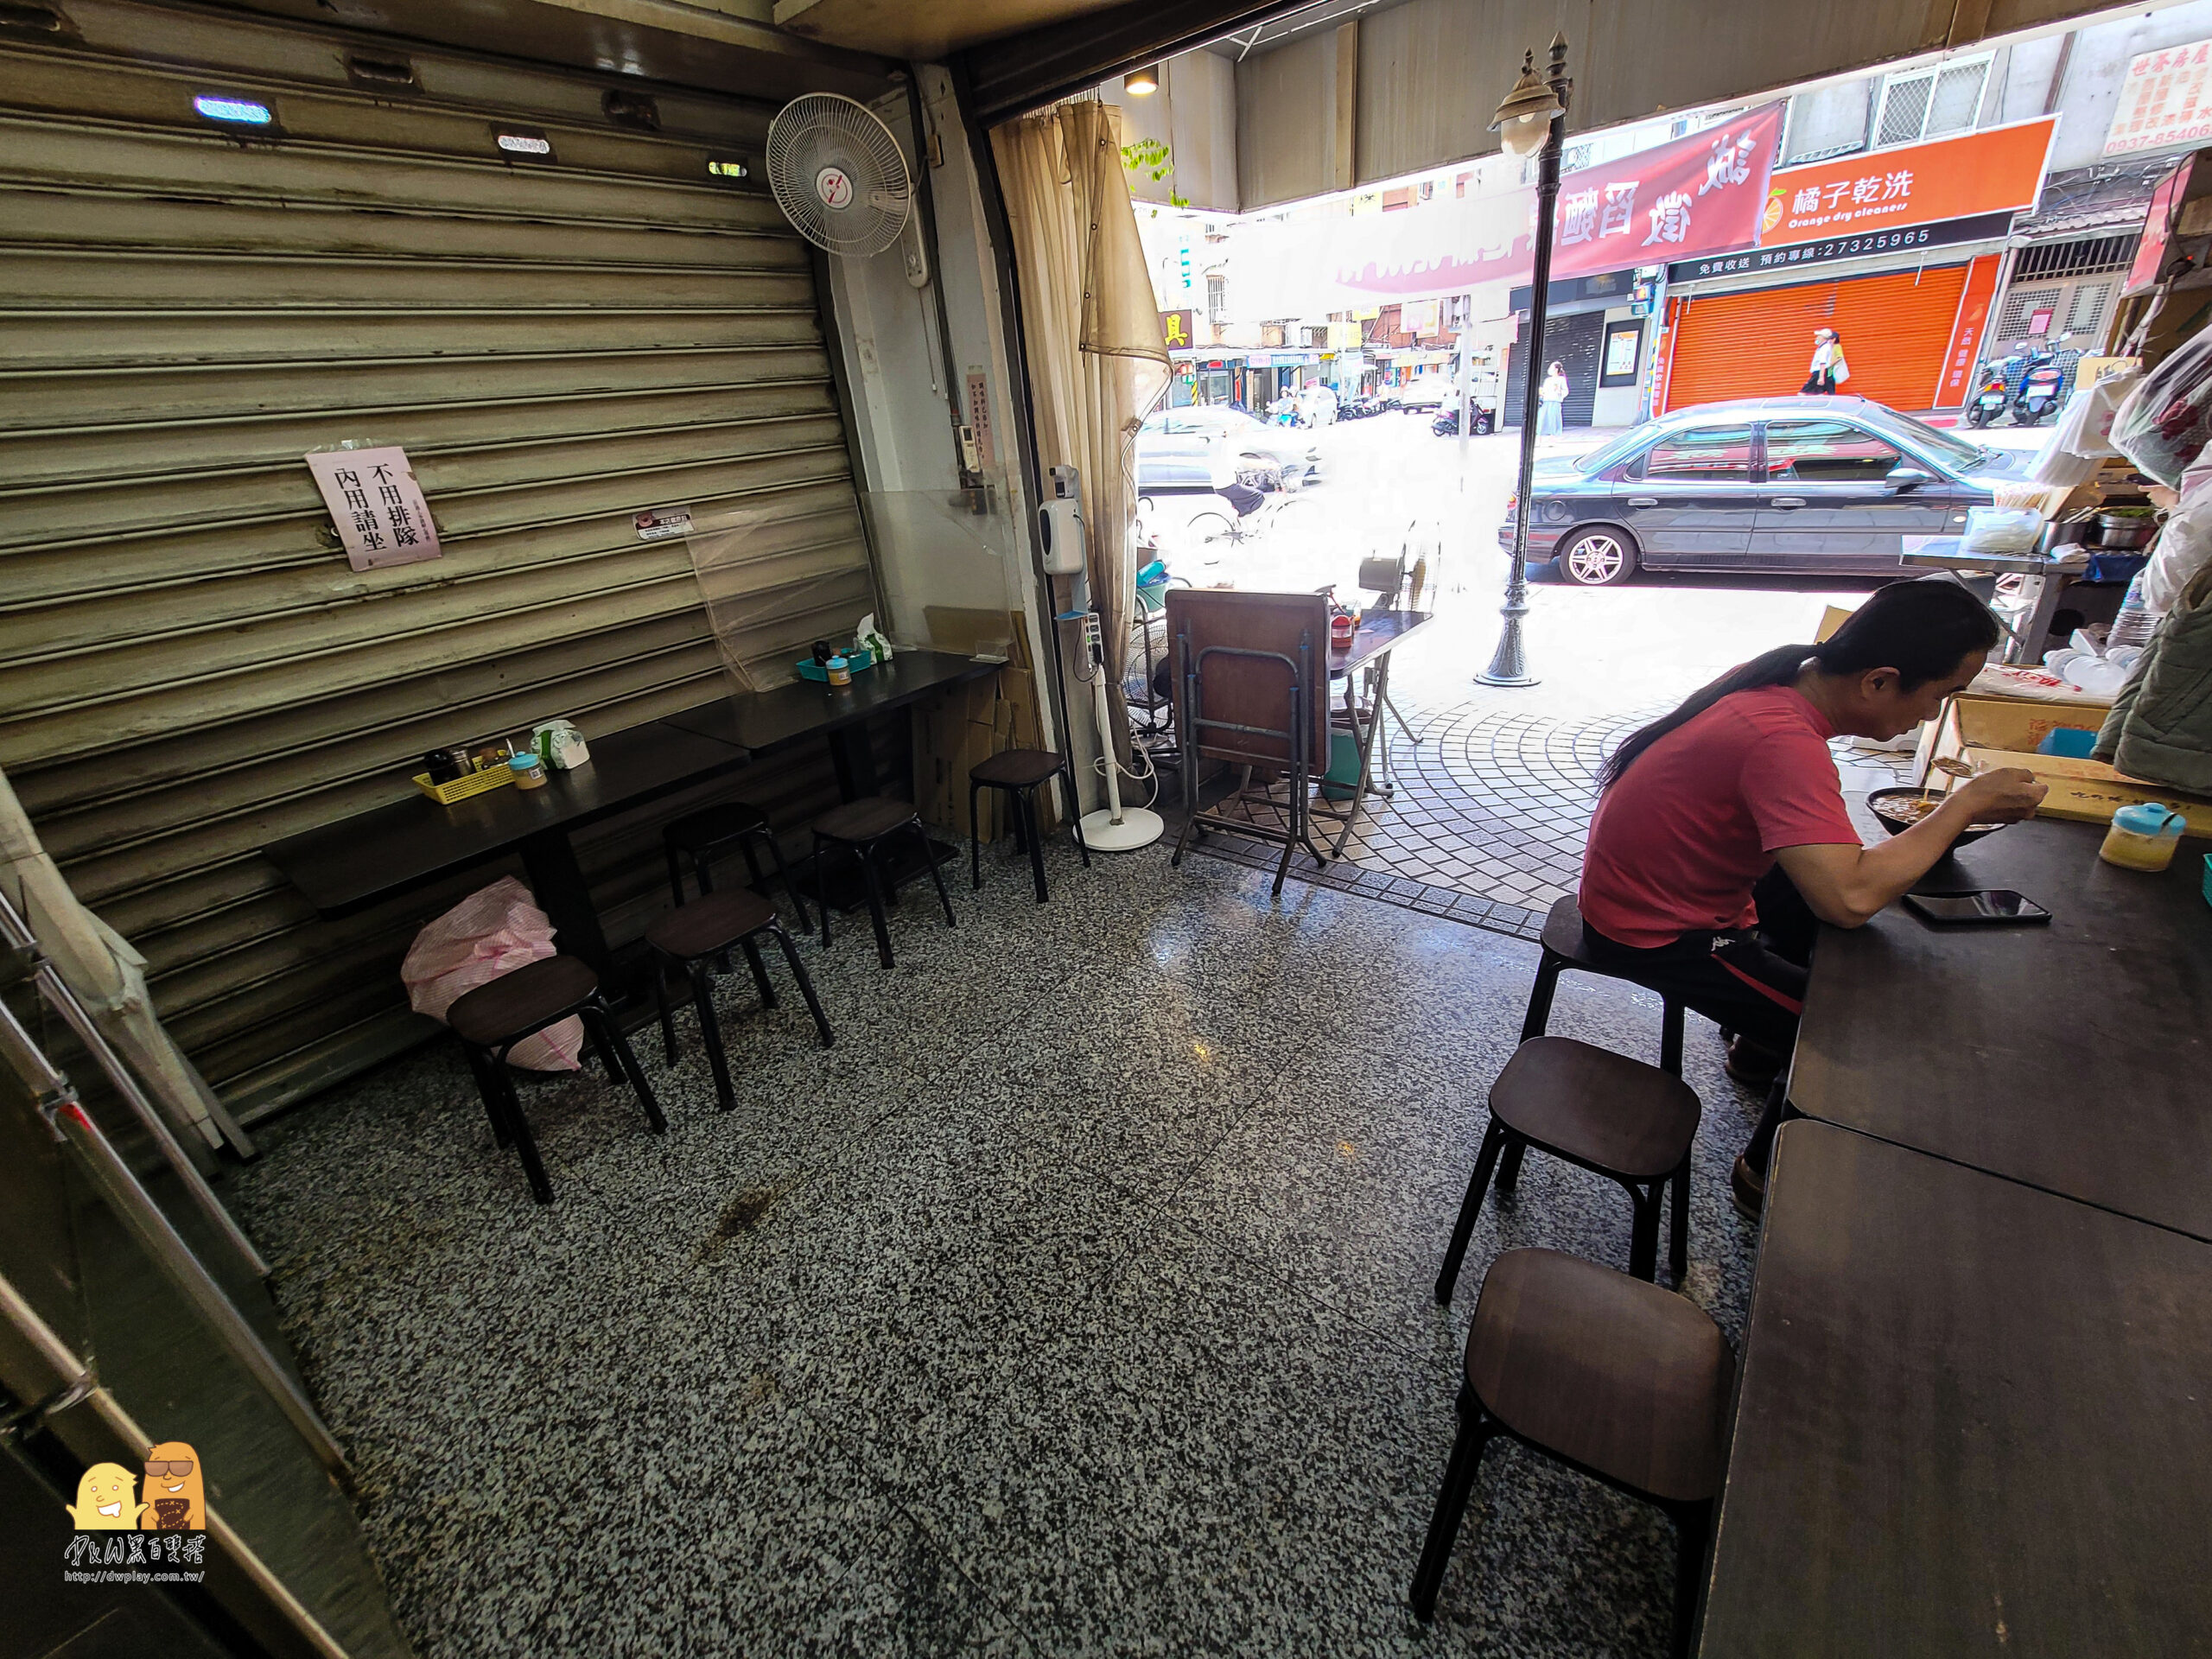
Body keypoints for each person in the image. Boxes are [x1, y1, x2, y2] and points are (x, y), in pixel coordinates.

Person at [1575, 579, 2046, 1219]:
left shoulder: (1781, 677)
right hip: (1660, 932)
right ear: (1879, 681)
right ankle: (1763, 1172)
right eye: (1941, 696)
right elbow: (1847, 899)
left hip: (1659, 888)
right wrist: (1964, 805)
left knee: (1837, 921)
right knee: (1844, 1025)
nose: (1932, 716)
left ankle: (1755, 1048)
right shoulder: (1781, 739)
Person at [1802, 327, 1848, 394]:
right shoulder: (1827, 347)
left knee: (1806, 392)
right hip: (1825, 371)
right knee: (1824, 391)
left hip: (1824, 370)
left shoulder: (1834, 347)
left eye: (1831, 339)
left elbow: (1838, 358)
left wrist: (1829, 364)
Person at [1536, 360, 1569, 434]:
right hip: (1546, 401)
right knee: (1543, 417)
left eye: (1552, 368)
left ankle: (1554, 433)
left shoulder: (1561, 379)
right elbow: (1544, 390)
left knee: (1553, 418)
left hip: (1555, 401)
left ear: (1556, 369)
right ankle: (1542, 432)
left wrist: (1560, 392)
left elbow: (1566, 391)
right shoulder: (1547, 380)